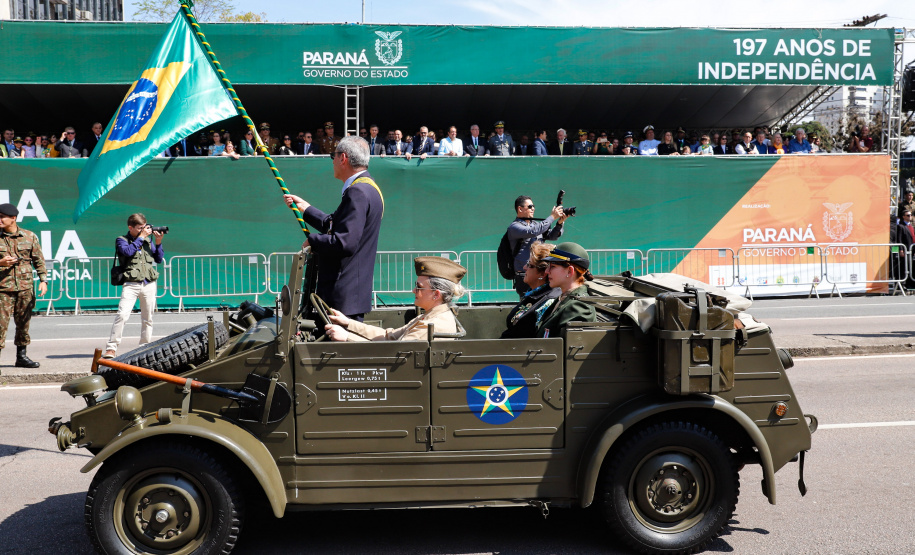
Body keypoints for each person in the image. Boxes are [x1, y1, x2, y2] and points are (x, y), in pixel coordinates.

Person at [284, 136, 383, 322]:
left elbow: (344, 242)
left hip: (341, 297)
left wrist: (312, 241)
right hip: (350, 296)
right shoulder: (369, 188)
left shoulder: (357, 192)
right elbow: (338, 225)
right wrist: (306, 209)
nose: (333, 161)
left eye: (333, 155)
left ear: (343, 158)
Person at [325, 256, 466, 341]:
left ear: (436, 294)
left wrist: (347, 337)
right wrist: (348, 323)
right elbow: (390, 336)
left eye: (419, 287)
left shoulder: (434, 324)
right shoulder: (429, 317)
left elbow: (394, 354)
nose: (413, 290)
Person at [102, 214, 165, 359]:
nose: (144, 230)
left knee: (148, 318)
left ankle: (144, 347)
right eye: (140, 228)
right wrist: (141, 237)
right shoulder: (122, 240)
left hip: (148, 283)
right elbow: (127, 252)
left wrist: (159, 242)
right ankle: (111, 348)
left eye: (145, 227)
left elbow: (159, 259)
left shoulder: (148, 240)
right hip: (131, 284)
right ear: (130, 227)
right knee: (122, 315)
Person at [0, 203, 47, 369]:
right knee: (0, 326)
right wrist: (1, 262)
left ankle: (21, 357)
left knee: (23, 324)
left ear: (13, 218)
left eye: (2, 217)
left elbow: (38, 260)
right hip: (3, 290)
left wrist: (43, 281)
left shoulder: (29, 236)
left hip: (25, 288)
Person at [507, 195, 567, 296]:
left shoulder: (535, 224)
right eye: (530, 206)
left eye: (533, 206)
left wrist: (560, 223)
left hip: (540, 272)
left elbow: (552, 236)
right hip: (525, 274)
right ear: (520, 209)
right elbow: (533, 232)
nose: (533, 208)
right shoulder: (514, 227)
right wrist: (552, 217)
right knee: (528, 303)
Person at [535, 242, 598, 338]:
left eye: (553, 267)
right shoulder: (564, 298)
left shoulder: (578, 307)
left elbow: (569, 348)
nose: (547, 271)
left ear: (569, 271)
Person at [502, 242, 560, 339]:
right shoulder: (534, 295)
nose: (524, 267)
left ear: (542, 273)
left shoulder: (547, 300)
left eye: (529, 265)